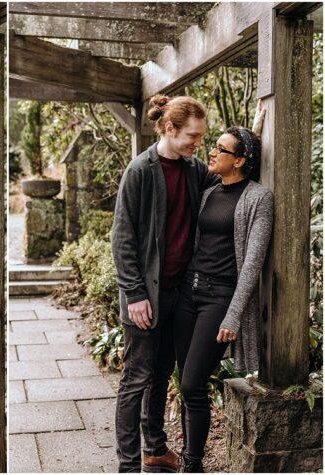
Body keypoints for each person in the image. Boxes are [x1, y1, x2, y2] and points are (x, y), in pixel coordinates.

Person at [111, 95, 219, 472]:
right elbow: (122, 238)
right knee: (135, 380)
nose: (198, 142)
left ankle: (155, 448)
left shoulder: (194, 169)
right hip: (145, 297)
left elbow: (228, 174)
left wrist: (252, 135)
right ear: (170, 129)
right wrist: (135, 294)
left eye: (202, 137)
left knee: (160, 374)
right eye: (193, 135)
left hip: (178, 293)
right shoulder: (140, 170)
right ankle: (127, 465)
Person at [174, 109, 271, 472]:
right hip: (189, 294)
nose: (211, 152)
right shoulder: (209, 190)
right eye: (212, 146)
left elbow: (252, 263)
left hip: (219, 299)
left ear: (241, 160)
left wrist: (233, 314)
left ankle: (192, 464)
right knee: (186, 383)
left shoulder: (258, 199)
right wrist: (252, 127)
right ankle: (190, 458)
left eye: (220, 149)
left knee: (192, 384)